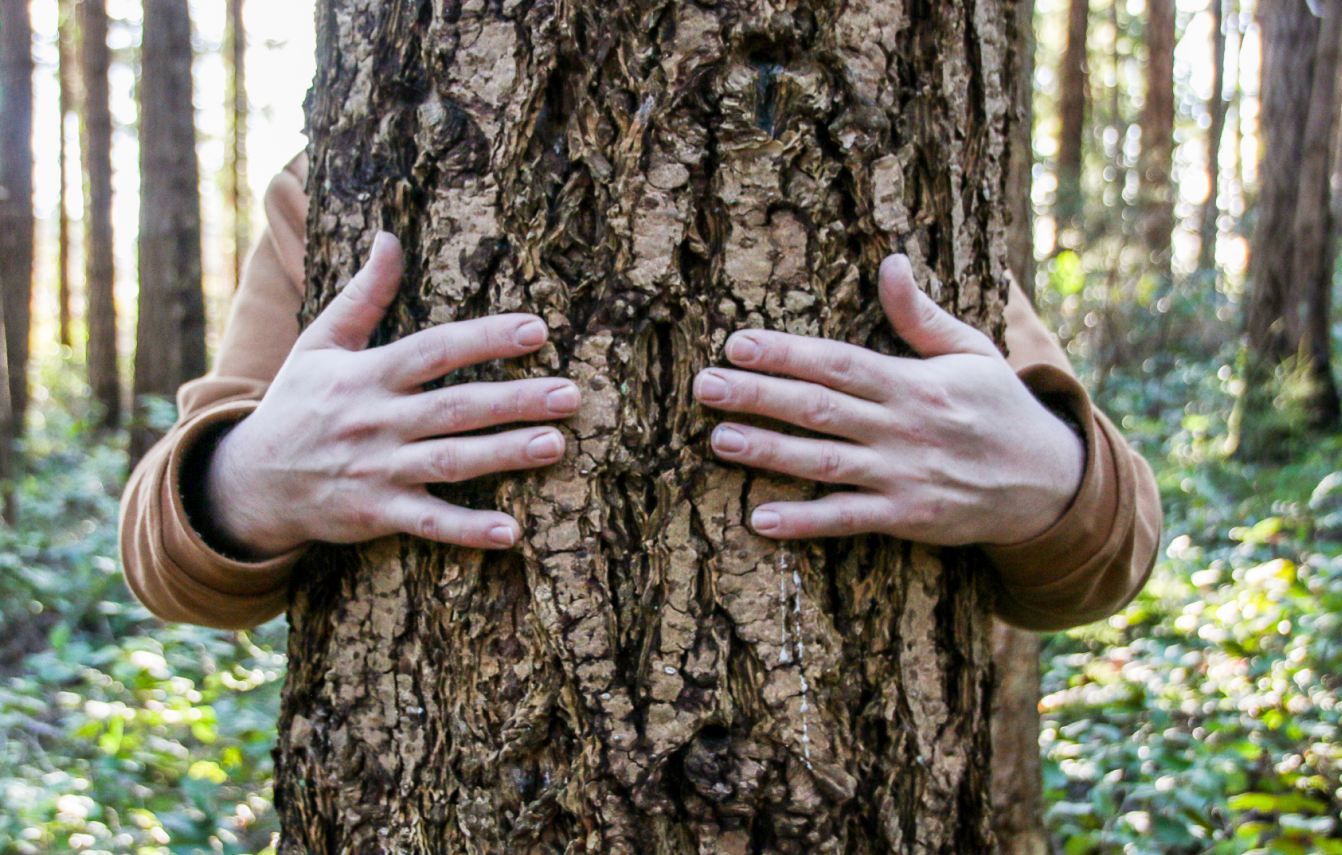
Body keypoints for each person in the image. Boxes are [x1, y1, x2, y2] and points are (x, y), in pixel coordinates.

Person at [120, 155, 1161, 632]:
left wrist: (1049, 473)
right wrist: (250, 478)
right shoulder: (346, 178)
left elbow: (1117, 550)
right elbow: (164, 554)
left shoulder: (892, 162)